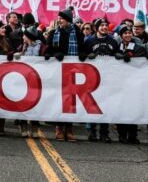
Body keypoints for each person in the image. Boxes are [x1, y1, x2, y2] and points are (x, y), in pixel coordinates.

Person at [46, 8, 84, 142]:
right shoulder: (53, 33)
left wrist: (83, 54)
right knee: (59, 99)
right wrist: (53, 54)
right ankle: (59, 127)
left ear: (68, 20)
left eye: (61, 18)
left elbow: (82, 48)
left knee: (70, 100)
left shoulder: (78, 33)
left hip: (73, 71)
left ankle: (69, 128)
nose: (59, 20)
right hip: (58, 71)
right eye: (59, 18)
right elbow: (48, 50)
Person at [82, 18, 118, 143]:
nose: (104, 27)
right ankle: (92, 131)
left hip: (108, 78)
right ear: (96, 28)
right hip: (93, 79)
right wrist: (86, 56)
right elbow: (82, 57)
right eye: (101, 25)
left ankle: (104, 133)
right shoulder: (89, 41)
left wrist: (120, 56)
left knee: (106, 106)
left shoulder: (113, 41)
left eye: (105, 25)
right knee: (93, 106)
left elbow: (117, 56)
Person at [114, 24, 146, 144]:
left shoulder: (138, 47)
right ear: (121, 36)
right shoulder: (117, 47)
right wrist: (118, 56)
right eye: (125, 33)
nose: (127, 35)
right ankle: (122, 134)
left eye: (129, 33)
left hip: (134, 83)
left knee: (133, 109)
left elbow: (141, 58)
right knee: (121, 109)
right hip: (120, 83)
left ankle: (133, 135)